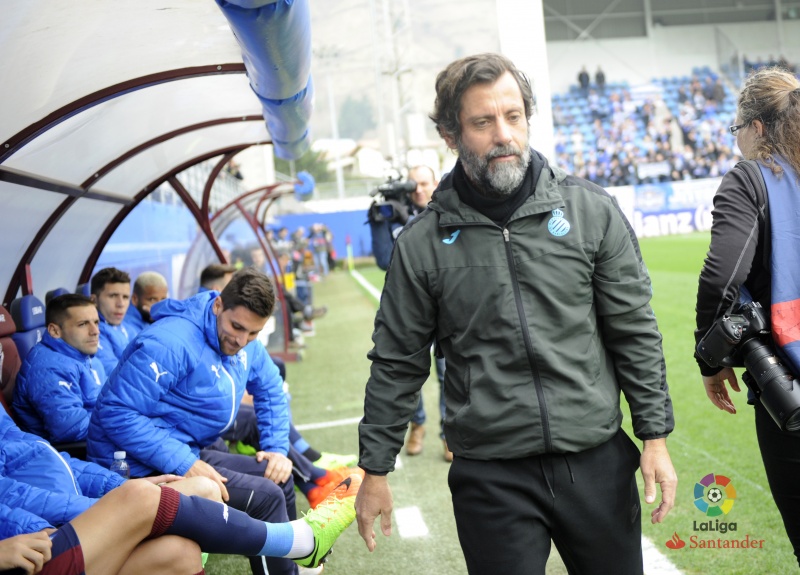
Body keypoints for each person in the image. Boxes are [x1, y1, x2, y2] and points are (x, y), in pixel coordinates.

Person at [355, 53, 676, 575]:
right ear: (451, 135)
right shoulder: (422, 243)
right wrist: (375, 469)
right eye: (483, 122)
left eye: (513, 116)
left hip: (595, 461)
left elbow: (634, 329)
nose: (503, 134)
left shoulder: (590, 211)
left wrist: (654, 438)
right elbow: (397, 361)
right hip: (490, 476)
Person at [87, 267, 301, 575]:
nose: (242, 340)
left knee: (278, 475)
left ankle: (294, 561)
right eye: (237, 327)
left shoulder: (245, 339)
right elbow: (116, 412)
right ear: (218, 305)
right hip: (134, 466)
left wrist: (277, 449)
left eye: (253, 333)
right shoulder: (170, 341)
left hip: (183, 448)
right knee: (266, 498)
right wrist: (185, 462)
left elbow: (269, 388)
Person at [0, 410, 362, 574]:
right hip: (38, 543)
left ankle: (312, 491)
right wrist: (108, 507)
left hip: (45, 536)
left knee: (180, 552)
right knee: (140, 498)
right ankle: (301, 541)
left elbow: (54, 464)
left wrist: (116, 490)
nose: (95, 328)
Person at [694, 66, 800, 567]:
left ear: (757, 127)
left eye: (736, 128)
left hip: (789, 384)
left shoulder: (751, 178)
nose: (736, 139)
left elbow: (722, 277)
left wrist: (709, 357)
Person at [402, 165, 451, 462]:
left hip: (446, 307)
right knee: (410, 374)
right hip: (411, 309)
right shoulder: (398, 216)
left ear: (435, 183)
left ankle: (449, 434)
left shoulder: (451, 210)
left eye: (424, 183)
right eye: (413, 185)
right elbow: (385, 260)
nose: (418, 190)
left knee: (449, 375)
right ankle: (417, 424)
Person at [13, 294, 105, 444]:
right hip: (72, 452)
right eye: (83, 324)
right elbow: (71, 429)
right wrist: (119, 419)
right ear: (55, 331)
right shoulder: (48, 369)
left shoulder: (77, 356)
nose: (95, 331)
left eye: (96, 322)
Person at [90, 267, 132, 376]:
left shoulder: (129, 327)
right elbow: (115, 374)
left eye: (125, 297)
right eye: (113, 296)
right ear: (94, 300)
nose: (121, 304)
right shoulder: (93, 332)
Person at [124, 271, 169, 338]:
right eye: (152, 299)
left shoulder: (151, 320)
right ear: (135, 299)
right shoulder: (126, 326)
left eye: (163, 299)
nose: (159, 305)